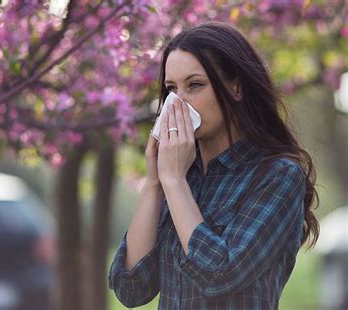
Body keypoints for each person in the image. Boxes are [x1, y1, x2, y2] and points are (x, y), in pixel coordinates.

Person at [108, 21, 320, 309]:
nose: (178, 104)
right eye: (171, 89)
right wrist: (155, 183)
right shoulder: (181, 177)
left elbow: (221, 275)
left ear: (236, 87)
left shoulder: (277, 175)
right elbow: (130, 288)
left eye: (194, 85)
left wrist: (174, 184)